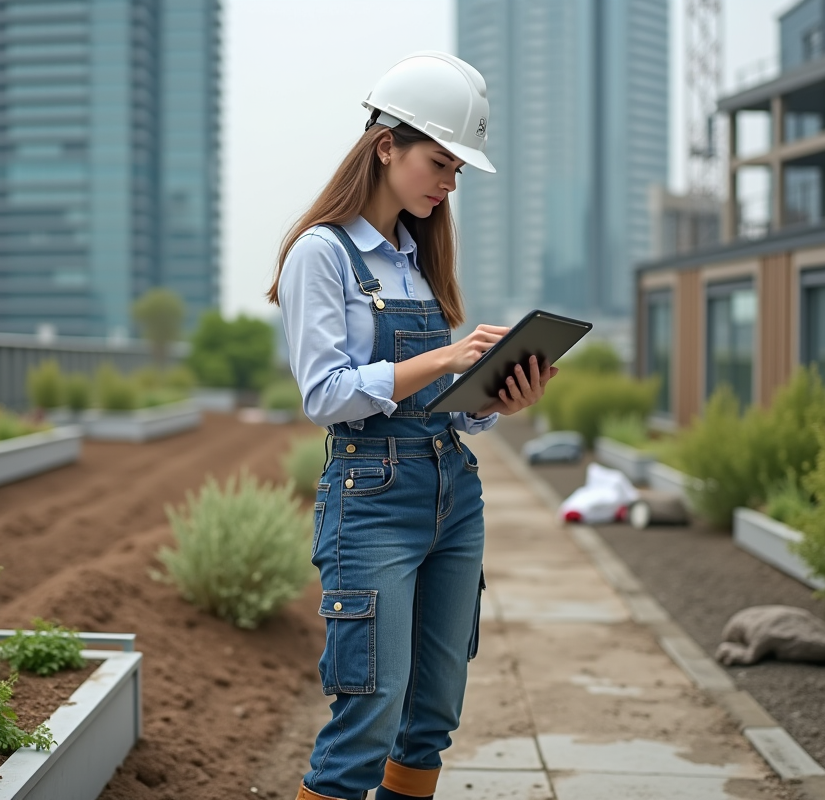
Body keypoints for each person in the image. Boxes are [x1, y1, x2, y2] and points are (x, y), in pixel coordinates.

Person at [267, 51, 558, 800]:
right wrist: (444, 359)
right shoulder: (320, 255)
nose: (449, 182)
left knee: (431, 714)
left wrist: (494, 398)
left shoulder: (415, 258)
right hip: (371, 498)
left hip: (452, 494)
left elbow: (442, 409)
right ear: (386, 145)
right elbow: (326, 395)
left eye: (458, 169)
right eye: (442, 161)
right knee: (368, 713)